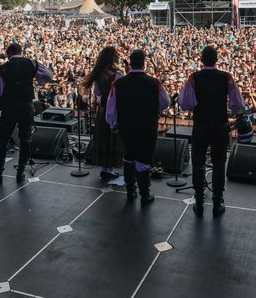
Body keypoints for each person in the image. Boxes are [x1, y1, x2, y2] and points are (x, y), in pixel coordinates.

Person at [179, 46, 245, 217]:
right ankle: (217, 201)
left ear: (201, 59)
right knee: (219, 163)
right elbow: (237, 104)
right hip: (220, 124)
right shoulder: (227, 77)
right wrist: (228, 111)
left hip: (200, 124)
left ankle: (199, 201)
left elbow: (185, 104)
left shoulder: (194, 78)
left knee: (198, 163)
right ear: (217, 60)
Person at [0, 43, 54, 184]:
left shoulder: (4, 69)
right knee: (25, 138)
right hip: (27, 105)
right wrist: (35, 79)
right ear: (21, 51)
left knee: (3, 139)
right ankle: (20, 174)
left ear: (8, 54)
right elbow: (48, 75)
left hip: (10, 106)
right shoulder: (32, 63)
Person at [106, 50, 170, 206]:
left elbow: (110, 107)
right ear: (144, 63)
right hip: (147, 125)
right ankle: (145, 194)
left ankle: (130, 191)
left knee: (128, 156)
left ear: (131, 62)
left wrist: (113, 124)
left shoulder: (118, 83)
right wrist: (156, 110)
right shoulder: (154, 83)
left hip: (126, 125)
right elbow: (165, 102)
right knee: (144, 157)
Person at [80, 46, 123, 181]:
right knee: (112, 139)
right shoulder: (117, 74)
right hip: (114, 110)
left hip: (102, 109)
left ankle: (105, 169)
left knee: (103, 138)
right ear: (113, 57)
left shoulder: (99, 73)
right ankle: (109, 169)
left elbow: (97, 93)